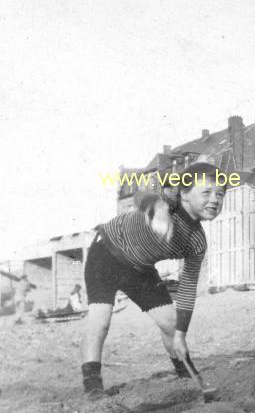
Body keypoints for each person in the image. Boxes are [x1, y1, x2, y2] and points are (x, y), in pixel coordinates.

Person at [81, 162, 227, 398]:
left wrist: (181, 333)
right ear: (185, 195)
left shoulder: (197, 242)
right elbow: (142, 197)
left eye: (220, 194)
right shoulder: (167, 201)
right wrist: (159, 212)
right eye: (207, 192)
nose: (215, 200)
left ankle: (186, 375)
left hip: (139, 269)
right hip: (106, 253)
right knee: (100, 321)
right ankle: (92, 387)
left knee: (171, 323)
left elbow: (188, 288)